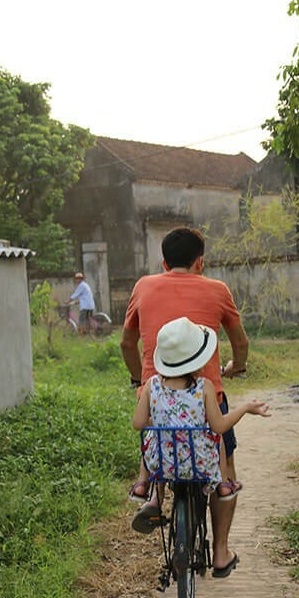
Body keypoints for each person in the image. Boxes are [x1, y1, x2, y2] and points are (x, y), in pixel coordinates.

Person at [120, 226, 249, 575]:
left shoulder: (143, 287)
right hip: (205, 398)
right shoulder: (217, 290)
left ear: (163, 262)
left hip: (157, 397)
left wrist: (138, 379)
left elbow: (127, 344)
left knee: (159, 445)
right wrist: (237, 366)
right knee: (225, 470)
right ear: (200, 262)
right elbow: (240, 342)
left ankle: (154, 495)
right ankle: (220, 553)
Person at [130, 318, 270, 579]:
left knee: (152, 435)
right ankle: (222, 484)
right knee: (212, 437)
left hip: (163, 464)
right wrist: (245, 408)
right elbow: (219, 426)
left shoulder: (151, 386)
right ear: (197, 358)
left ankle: (143, 484)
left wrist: (159, 420)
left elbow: (138, 423)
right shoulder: (204, 387)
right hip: (200, 463)